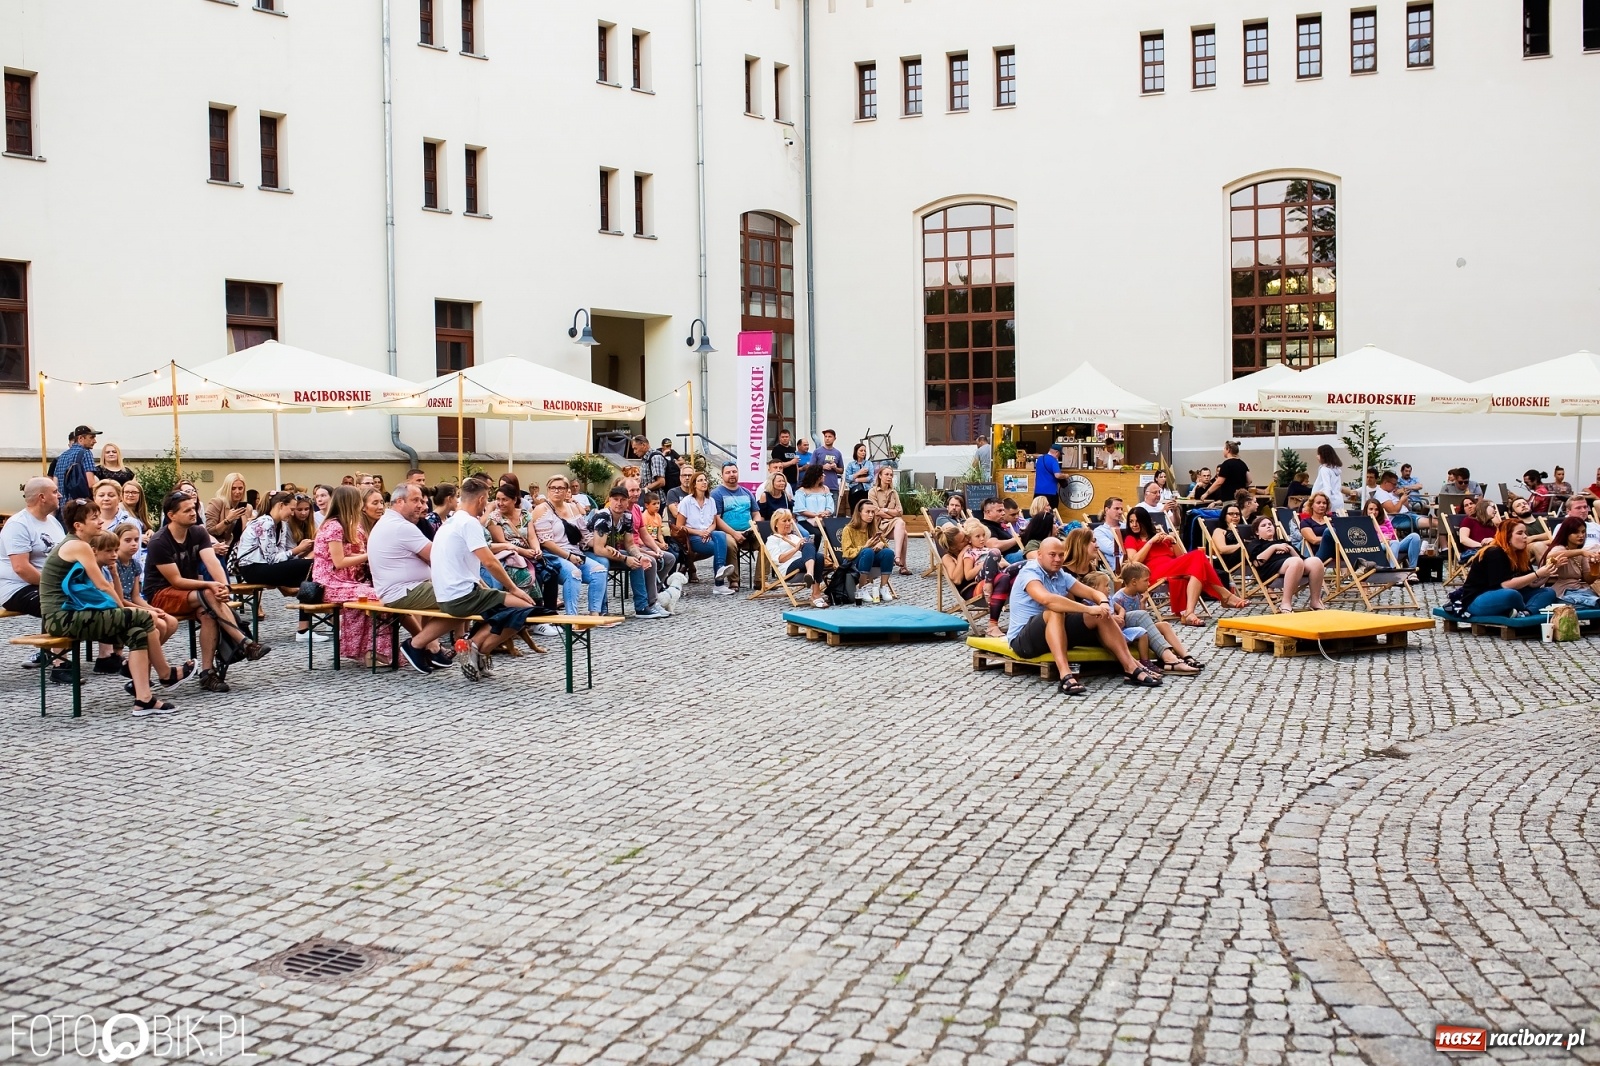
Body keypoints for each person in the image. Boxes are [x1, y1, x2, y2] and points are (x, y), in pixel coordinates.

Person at [42, 500, 191, 714]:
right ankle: (166, 673)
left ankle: (144, 700)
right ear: (78, 525)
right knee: (144, 618)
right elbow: (102, 585)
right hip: (63, 618)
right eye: (94, 518)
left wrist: (124, 611)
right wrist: (122, 609)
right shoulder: (78, 545)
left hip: (71, 614)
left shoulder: (78, 544)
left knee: (138, 631)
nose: (100, 521)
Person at [145, 490, 267, 692]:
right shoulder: (159, 542)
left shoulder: (198, 532)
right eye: (187, 510)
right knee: (209, 594)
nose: (193, 513)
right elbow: (175, 581)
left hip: (191, 595)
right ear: (171, 515)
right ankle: (244, 642)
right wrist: (211, 586)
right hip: (161, 595)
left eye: (193, 508)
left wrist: (223, 587)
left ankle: (207, 673)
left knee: (209, 614)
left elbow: (213, 564)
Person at [1007, 536, 1161, 696]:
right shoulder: (1030, 572)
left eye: (1061, 555)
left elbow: (1093, 593)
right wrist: (1087, 609)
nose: (1058, 559)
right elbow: (1048, 600)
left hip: (1056, 633)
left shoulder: (1060, 574)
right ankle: (1065, 675)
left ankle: (1131, 667)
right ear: (1039, 554)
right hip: (1024, 640)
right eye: (1052, 555)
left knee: (1100, 614)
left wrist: (1102, 603)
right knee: (1055, 610)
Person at [429, 477, 536, 681]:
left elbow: (466, 565)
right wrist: (514, 589)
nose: (487, 505)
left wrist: (487, 587)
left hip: (445, 594)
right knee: (525, 606)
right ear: (480, 500)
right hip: (461, 596)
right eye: (487, 500)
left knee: (501, 609)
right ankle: (476, 647)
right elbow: (490, 562)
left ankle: (475, 648)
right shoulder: (469, 523)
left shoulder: (450, 521)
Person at [369, 484, 457, 672]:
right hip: (404, 591)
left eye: (423, 501)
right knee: (464, 598)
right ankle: (416, 645)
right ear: (399, 502)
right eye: (416, 500)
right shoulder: (401, 527)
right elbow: (438, 556)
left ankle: (431, 648)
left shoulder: (389, 522)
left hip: (400, 589)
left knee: (458, 594)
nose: (422, 505)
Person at [311, 485, 387, 666]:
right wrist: (370, 555)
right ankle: (372, 651)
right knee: (379, 597)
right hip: (329, 584)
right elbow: (339, 562)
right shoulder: (335, 527)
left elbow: (346, 556)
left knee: (373, 598)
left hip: (341, 582)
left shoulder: (340, 525)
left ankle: (371, 651)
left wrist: (367, 555)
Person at [2, 478, 66, 673]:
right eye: (55, 492)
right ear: (42, 497)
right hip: (15, 588)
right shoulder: (18, 525)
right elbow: (21, 568)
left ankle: (46, 651)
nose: (60, 495)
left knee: (80, 596)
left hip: (46, 584)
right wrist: (55, 585)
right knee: (60, 603)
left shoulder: (53, 521)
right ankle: (59, 664)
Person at [235, 490, 316, 634]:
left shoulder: (282, 525)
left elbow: (280, 555)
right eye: (291, 509)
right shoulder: (265, 523)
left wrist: (300, 552)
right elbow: (272, 558)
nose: (292, 514)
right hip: (252, 568)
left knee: (309, 572)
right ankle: (306, 627)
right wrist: (298, 550)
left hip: (264, 566)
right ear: (280, 505)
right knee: (310, 566)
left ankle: (304, 627)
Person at [587, 485, 671, 618]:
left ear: (627, 501)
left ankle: (642, 607)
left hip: (612, 551)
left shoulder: (627, 516)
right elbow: (598, 549)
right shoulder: (603, 517)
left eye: (622, 500)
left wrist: (639, 556)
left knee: (637, 561)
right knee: (603, 563)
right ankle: (602, 610)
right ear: (610, 500)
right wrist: (626, 559)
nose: (619, 503)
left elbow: (630, 544)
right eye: (615, 499)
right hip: (590, 552)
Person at [530, 474, 609, 613]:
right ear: (548, 490)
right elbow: (546, 542)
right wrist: (568, 556)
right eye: (552, 488)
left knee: (600, 571)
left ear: (567, 490)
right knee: (574, 573)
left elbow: (585, 536)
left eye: (560, 488)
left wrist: (601, 543)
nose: (556, 491)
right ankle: (571, 617)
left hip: (576, 553)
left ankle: (595, 614)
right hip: (553, 556)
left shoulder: (573, 508)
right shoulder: (542, 509)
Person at [1109, 563, 1203, 674]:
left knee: (1164, 625)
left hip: (1138, 626)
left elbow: (1143, 616)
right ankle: (1169, 658)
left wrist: (1143, 603)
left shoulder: (1138, 595)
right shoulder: (1118, 598)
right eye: (1146, 581)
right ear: (1134, 582)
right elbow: (1117, 622)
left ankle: (1186, 656)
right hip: (1126, 631)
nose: (1148, 584)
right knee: (1144, 619)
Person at [1455, 520, 1557, 618]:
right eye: (1520, 533)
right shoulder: (1494, 552)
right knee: (1512, 595)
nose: (1525, 536)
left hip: (1514, 595)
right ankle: (1525, 609)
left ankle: (1525, 613)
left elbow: (1532, 584)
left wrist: (1548, 571)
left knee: (1549, 592)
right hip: (1479, 598)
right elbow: (1506, 585)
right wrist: (1538, 573)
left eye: (1525, 533)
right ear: (1507, 536)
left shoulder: (1520, 553)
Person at [1243, 513, 1326, 611]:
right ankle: (1285, 603)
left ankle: (1315, 601)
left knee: (1315, 561)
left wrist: (1290, 549)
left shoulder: (1284, 542)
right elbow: (1257, 563)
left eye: (1270, 524)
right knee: (1295, 561)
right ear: (1257, 532)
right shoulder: (1255, 544)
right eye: (1263, 525)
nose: (1268, 526)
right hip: (1272, 574)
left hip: (1295, 570)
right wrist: (1273, 548)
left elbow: (1301, 560)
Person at [711, 462, 762, 589]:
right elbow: (716, 519)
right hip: (728, 533)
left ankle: (760, 580)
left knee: (766, 542)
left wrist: (755, 525)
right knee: (729, 544)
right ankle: (734, 580)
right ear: (722, 475)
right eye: (728, 472)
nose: (732, 475)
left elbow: (756, 513)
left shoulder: (747, 492)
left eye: (734, 472)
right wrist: (734, 533)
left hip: (749, 532)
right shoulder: (716, 494)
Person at [764, 509, 827, 608]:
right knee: (809, 548)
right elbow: (779, 559)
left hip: (804, 564)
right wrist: (796, 548)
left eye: (789, 520)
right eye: (784, 521)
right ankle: (814, 588)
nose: (788, 523)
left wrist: (803, 545)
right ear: (776, 523)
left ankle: (813, 588)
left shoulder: (794, 537)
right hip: (788, 568)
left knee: (817, 555)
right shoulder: (772, 540)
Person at [840, 500, 897, 603]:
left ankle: (883, 587)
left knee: (888, 553)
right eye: (867, 512)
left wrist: (881, 544)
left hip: (870, 558)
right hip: (853, 561)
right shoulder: (848, 529)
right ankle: (862, 588)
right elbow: (846, 553)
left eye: (872, 512)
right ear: (859, 513)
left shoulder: (873, 528)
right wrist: (865, 546)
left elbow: (885, 544)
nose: (871, 515)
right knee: (868, 551)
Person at [1544, 517, 1599, 608]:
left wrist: (1594, 567)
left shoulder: (1581, 552)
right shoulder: (1560, 548)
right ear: (1566, 534)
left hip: (1580, 590)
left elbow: (1588, 580)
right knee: (1591, 602)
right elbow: (1551, 556)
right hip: (1562, 591)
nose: (1581, 535)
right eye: (1576, 532)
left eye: (1583, 532)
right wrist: (1580, 552)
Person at [866, 464, 910, 575]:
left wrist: (884, 510)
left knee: (901, 524)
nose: (889, 477)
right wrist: (891, 513)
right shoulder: (873, 491)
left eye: (891, 475)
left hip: (892, 524)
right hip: (878, 525)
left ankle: (897, 557)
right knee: (903, 532)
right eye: (886, 474)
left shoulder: (893, 493)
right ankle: (902, 565)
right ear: (880, 476)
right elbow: (875, 511)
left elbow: (900, 512)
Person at [204, 473, 254, 561]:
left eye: (240, 488)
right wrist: (228, 520)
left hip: (240, 551)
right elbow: (210, 530)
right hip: (222, 550)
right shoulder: (216, 503)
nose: (237, 492)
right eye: (233, 488)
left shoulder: (247, 508)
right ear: (227, 488)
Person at [52, 425, 101, 506]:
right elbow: (91, 484)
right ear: (81, 438)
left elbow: (55, 483)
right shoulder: (86, 453)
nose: (95, 441)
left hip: (62, 505)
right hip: (80, 504)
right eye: (91, 437)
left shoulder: (62, 456)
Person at [792, 464, 836, 544]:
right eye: (822, 473)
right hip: (805, 520)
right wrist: (815, 515)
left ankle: (830, 554)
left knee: (832, 532)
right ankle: (813, 554)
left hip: (822, 519)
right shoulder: (802, 490)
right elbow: (800, 509)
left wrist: (825, 512)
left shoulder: (825, 489)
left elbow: (830, 506)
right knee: (817, 534)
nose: (824, 475)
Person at [1298, 492, 1339, 561]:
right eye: (1318, 503)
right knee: (1329, 531)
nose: (1322, 505)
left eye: (1324, 503)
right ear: (1311, 505)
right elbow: (1314, 540)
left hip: (1337, 551)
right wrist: (1330, 538)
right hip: (1319, 554)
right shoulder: (1306, 522)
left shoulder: (1333, 519)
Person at [1091, 498, 1126, 573]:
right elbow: (1112, 549)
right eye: (1116, 508)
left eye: (1121, 509)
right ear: (1106, 510)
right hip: (1119, 569)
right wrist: (1131, 545)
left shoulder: (1126, 527)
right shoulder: (1099, 531)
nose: (1120, 512)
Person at [1032, 442, 1066, 510]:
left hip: (1038, 492)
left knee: (1038, 513)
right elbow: (1057, 475)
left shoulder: (1039, 459)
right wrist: (1066, 476)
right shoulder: (1053, 461)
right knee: (1051, 514)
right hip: (1051, 492)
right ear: (1057, 452)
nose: (1059, 456)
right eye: (1059, 454)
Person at [1310, 444, 1344, 510]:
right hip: (1338, 500)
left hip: (1329, 501)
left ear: (1323, 456)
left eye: (1318, 454)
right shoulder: (1336, 469)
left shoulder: (1324, 469)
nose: (1317, 456)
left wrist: (1325, 503)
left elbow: (1327, 487)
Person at [843, 442, 874, 508]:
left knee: (865, 510)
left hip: (866, 490)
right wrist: (859, 473)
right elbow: (847, 478)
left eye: (864, 451)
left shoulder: (869, 463)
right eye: (861, 450)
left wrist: (856, 480)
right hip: (854, 491)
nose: (863, 452)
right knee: (854, 510)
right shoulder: (851, 464)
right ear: (856, 452)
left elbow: (871, 478)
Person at [813, 429, 845, 494]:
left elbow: (841, 470)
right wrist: (822, 467)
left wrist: (835, 468)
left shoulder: (837, 453)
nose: (827, 438)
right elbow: (811, 467)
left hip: (833, 487)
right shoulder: (817, 451)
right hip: (819, 486)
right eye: (825, 436)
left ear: (834, 438)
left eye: (830, 437)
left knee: (833, 504)